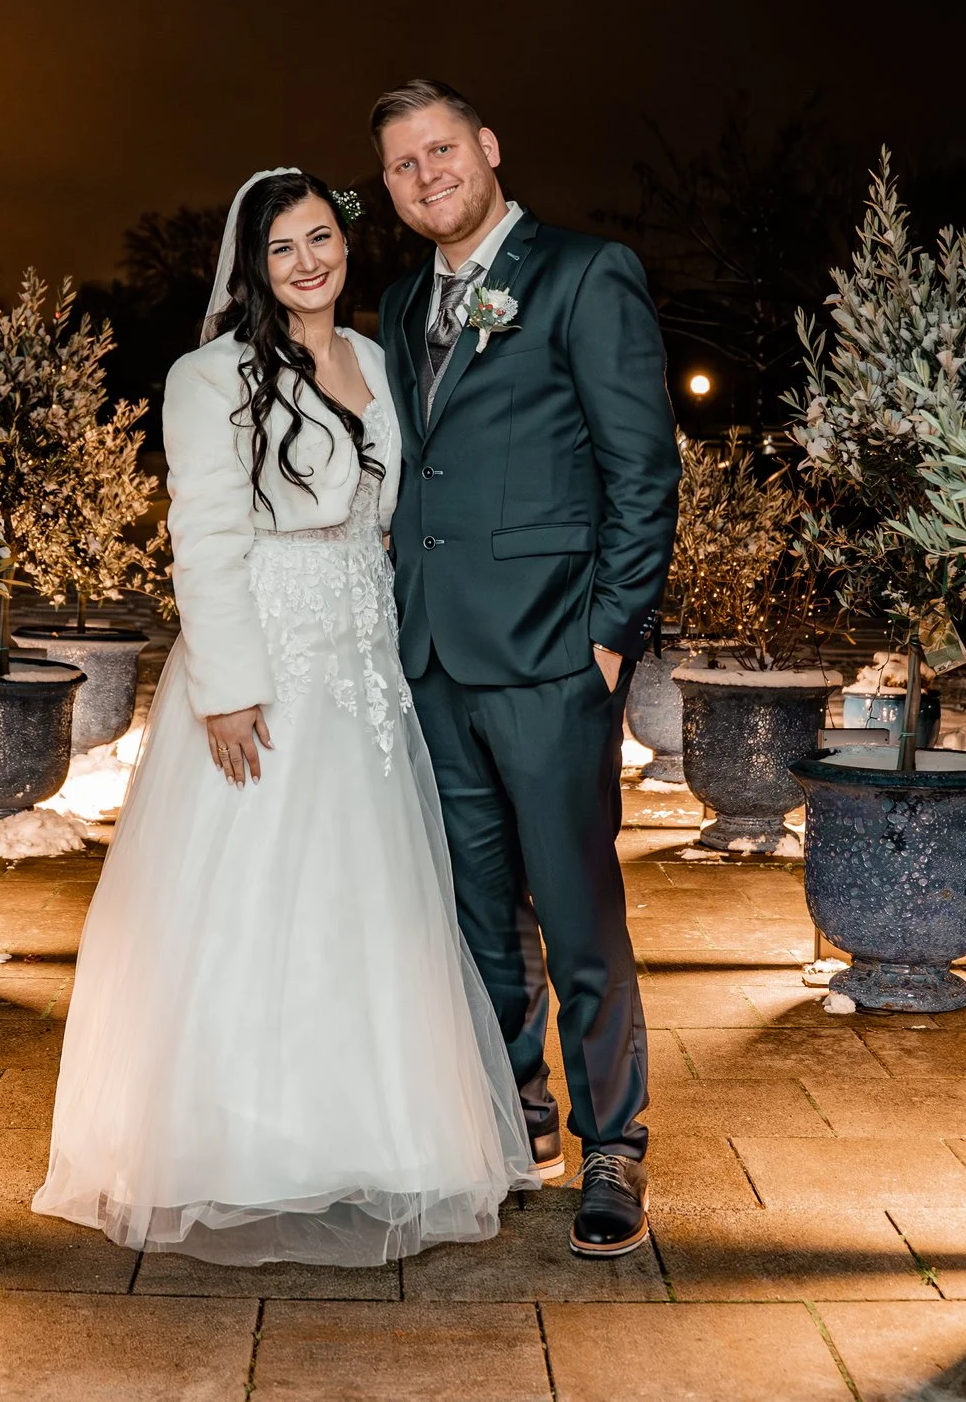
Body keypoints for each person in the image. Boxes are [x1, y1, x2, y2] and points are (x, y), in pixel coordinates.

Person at [34, 167, 534, 1267]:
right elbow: (202, 534)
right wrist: (226, 683)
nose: (308, 261)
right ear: (252, 265)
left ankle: (375, 1132)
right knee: (252, 889)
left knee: (367, 894)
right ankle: (234, 1144)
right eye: (282, 248)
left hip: (363, 660)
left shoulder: (377, 363)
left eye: (321, 238)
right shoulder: (207, 375)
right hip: (263, 654)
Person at [371, 80, 681, 1259]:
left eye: (441, 149)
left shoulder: (585, 273)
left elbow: (642, 470)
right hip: (433, 657)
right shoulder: (401, 303)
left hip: (555, 655)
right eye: (403, 165)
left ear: (489, 148)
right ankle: (514, 1116)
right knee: (477, 917)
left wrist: (606, 633)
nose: (426, 174)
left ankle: (614, 1143)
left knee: (578, 907)